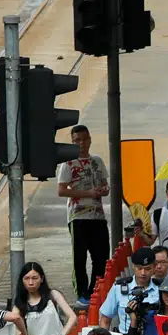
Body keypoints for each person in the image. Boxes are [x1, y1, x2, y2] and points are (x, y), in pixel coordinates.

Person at [56, 126, 109, 306]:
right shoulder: (68, 163)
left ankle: (96, 289)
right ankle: (82, 292)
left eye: (84, 139)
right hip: (77, 217)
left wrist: (103, 190)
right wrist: (89, 193)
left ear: (90, 140)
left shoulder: (97, 161)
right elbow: (61, 190)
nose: (81, 143)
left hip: (98, 216)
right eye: (77, 140)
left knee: (101, 256)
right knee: (79, 258)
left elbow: (104, 185)